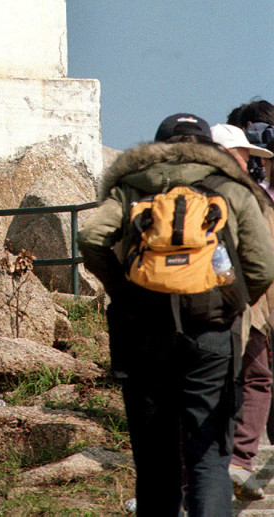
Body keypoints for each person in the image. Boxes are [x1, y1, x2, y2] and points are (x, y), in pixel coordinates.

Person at [78, 112, 274, 517]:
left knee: (156, 462)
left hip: (145, 334)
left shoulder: (132, 186)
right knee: (208, 457)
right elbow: (264, 267)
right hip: (212, 334)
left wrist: (124, 290)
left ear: (159, 146)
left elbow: (90, 237)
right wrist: (231, 302)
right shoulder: (232, 187)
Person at [210, 124, 274, 501]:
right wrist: (248, 301)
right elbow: (263, 262)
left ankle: (192, 474)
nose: (252, 161)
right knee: (257, 378)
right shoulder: (247, 195)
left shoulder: (174, 190)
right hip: (246, 307)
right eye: (246, 154)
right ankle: (239, 459)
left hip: (185, 310)